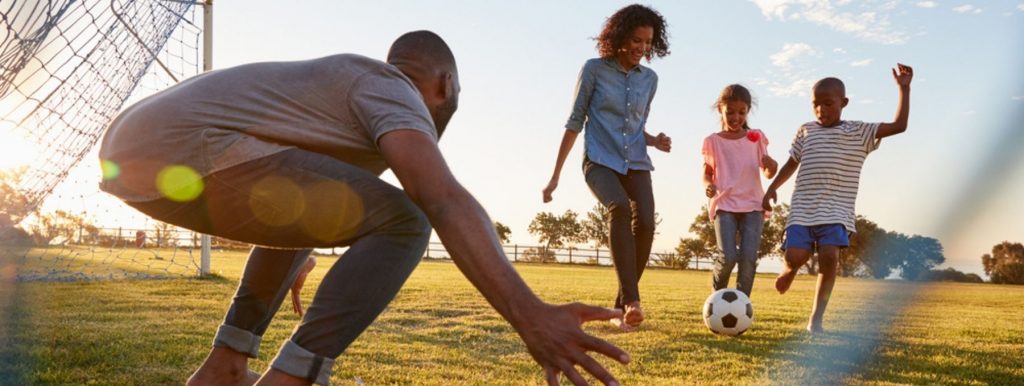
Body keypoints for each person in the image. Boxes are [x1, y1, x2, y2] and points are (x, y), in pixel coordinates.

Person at [99, 31, 631, 386]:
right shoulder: (390, 86)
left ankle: (225, 365)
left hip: (136, 155)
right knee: (406, 222)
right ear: (446, 85)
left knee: (346, 207)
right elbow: (441, 198)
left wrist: (292, 244)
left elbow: (299, 198)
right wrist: (530, 315)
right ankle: (292, 379)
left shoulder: (341, 101)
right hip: (185, 146)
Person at [542, 4, 672, 331]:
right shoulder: (594, 70)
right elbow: (575, 122)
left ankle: (622, 307)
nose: (642, 48)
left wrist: (655, 140)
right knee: (619, 208)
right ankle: (632, 300)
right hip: (599, 160)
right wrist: (555, 175)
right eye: (636, 40)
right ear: (618, 37)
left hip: (637, 162)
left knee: (646, 222)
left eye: (648, 42)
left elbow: (633, 127)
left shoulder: (650, 80)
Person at [762, 64, 914, 333]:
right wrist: (772, 187)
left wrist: (904, 89)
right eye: (815, 104)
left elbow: (899, 126)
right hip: (803, 209)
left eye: (828, 103)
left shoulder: (858, 132)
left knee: (830, 257)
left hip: (837, 210)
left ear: (843, 103)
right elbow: (791, 163)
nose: (821, 109)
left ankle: (816, 319)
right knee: (796, 256)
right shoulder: (806, 130)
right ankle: (789, 269)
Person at [702, 84, 777, 297]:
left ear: (748, 111)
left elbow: (768, 173)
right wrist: (708, 185)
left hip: (753, 205)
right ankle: (717, 300)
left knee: (748, 258)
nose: (736, 117)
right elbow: (707, 173)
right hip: (724, 204)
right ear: (720, 109)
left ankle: (742, 303)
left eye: (741, 112)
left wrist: (772, 165)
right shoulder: (713, 142)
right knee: (727, 257)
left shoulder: (756, 138)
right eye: (730, 112)